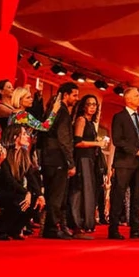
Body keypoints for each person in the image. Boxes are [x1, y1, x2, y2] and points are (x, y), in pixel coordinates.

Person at [109, 87, 139, 240]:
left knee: (137, 197)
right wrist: (136, 151)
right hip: (123, 163)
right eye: (137, 95)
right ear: (127, 99)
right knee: (118, 195)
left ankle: (136, 229)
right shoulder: (119, 117)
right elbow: (117, 140)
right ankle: (113, 229)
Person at [0, 125, 44, 241]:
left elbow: (31, 176)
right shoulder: (4, 153)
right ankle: (0, 230)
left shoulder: (23, 153)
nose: (27, 136)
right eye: (24, 134)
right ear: (15, 137)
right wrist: (26, 192)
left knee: (35, 203)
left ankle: (15, 229)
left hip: (15, 192)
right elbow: (8, 179)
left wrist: (40, 195)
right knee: (20, 199)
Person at [38, 82, 78, 240]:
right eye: (74, 95)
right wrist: (70, 161)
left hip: (48, 157)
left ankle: (49, 227)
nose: (76, 98)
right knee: (56, 195)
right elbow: (64, 139)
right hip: (57, 158)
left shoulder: (52, 110)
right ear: (65, 95)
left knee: (50, 193)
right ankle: (52, 229)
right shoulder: (61, 111)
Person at [70, 94, 106, 237]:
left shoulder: (91, 123)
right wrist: (97, 143)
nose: (92, 107)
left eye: (94, 104)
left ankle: (87, 223)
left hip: (90, 160)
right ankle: (77, 223)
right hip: (82, 159)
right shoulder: (81, 120)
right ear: (83, 106)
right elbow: (78, 142)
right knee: (80, 191)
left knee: (89, 192)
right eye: (89, 104)